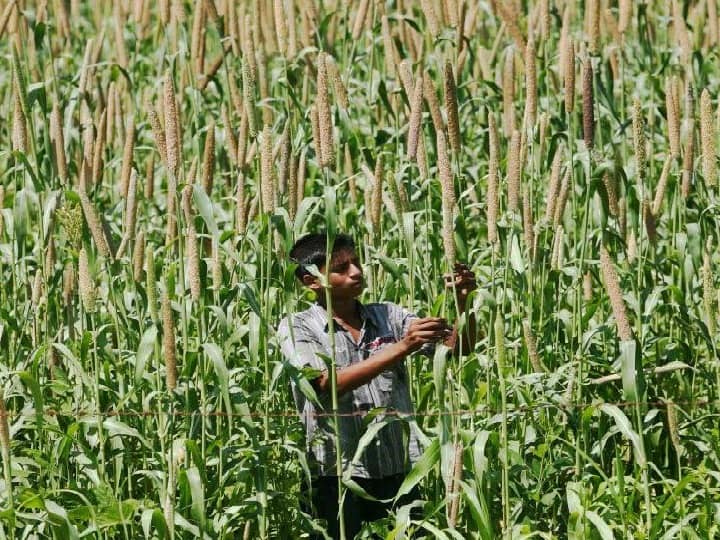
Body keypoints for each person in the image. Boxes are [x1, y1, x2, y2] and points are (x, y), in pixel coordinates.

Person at [277, 232, 477, 539]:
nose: (356, 272)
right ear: (311, 281)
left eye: (356, 262)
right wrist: (402, 347)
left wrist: (462, 302)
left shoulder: (389, 315)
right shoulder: (299, 326)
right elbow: (322, 385)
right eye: (341, 268)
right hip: (335, 475)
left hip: (398, 470)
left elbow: (457, 348)